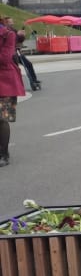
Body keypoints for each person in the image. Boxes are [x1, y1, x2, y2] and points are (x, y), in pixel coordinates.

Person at [0, 17, 22, 167]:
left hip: (6, 82)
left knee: (2, 119)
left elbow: (5, 58)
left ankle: (4, 154)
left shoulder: (8, 34)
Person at [8, 19, 40, 91]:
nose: (12, 23)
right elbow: (12, 40)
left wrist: (22, 35)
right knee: (15, 69)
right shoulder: (5, 31)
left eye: (12, 21)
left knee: (28, 64)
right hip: (11, 53)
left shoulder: (13, 30)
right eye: (10, 22)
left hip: (16, 51)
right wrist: (18, 35)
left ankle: (34, 80)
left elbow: (19, 40)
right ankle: (15, 85)